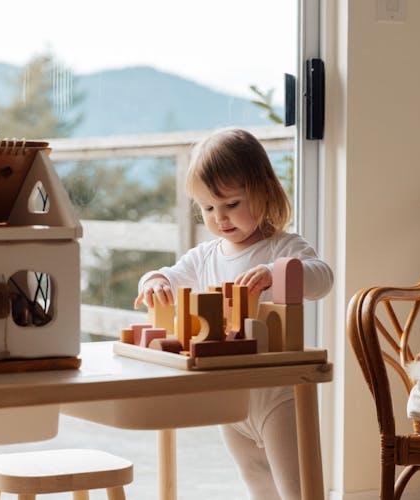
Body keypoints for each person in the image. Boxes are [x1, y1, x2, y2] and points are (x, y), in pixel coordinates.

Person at [134, 128, 333, 500]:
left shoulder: (283, 246)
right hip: (231, 401)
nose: (220, 218)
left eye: (232, 204)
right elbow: (170, 275)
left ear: (263, 191)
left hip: (278, 398)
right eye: (209, 208)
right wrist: (154, 281)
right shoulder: (205, 256)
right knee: (257, 484)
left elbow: (323, 277)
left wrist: (279, 271)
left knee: (298, 490)